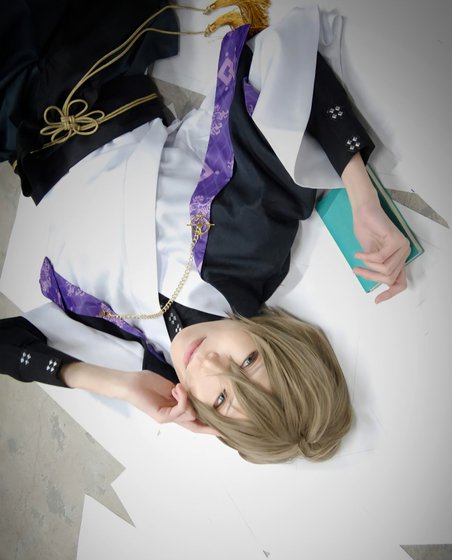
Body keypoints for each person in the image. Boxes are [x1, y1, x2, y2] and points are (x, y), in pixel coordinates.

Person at [0, 1, 410, 463]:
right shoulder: (249, 247)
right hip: (80, 55)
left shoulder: (138, 360)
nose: (210, 364)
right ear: (277, 340)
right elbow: (279, 67)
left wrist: (122, 386)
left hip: (13, 130)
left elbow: (8, 345)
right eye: (249, 362)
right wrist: (362, 195)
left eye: (221, 399)